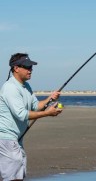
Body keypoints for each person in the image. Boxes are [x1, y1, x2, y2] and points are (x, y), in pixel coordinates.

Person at [0, 53, 63, 181]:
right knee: (13, 177)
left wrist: (49, 99)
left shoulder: (26, 86)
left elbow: (35, 106)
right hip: (6, 138)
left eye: (31, 67)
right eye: (27, 67)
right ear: (16, 68)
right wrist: (47, 113)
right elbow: (22, 114)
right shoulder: (10, 88)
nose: (30, 70)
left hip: (17, 139)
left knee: (18, 176)